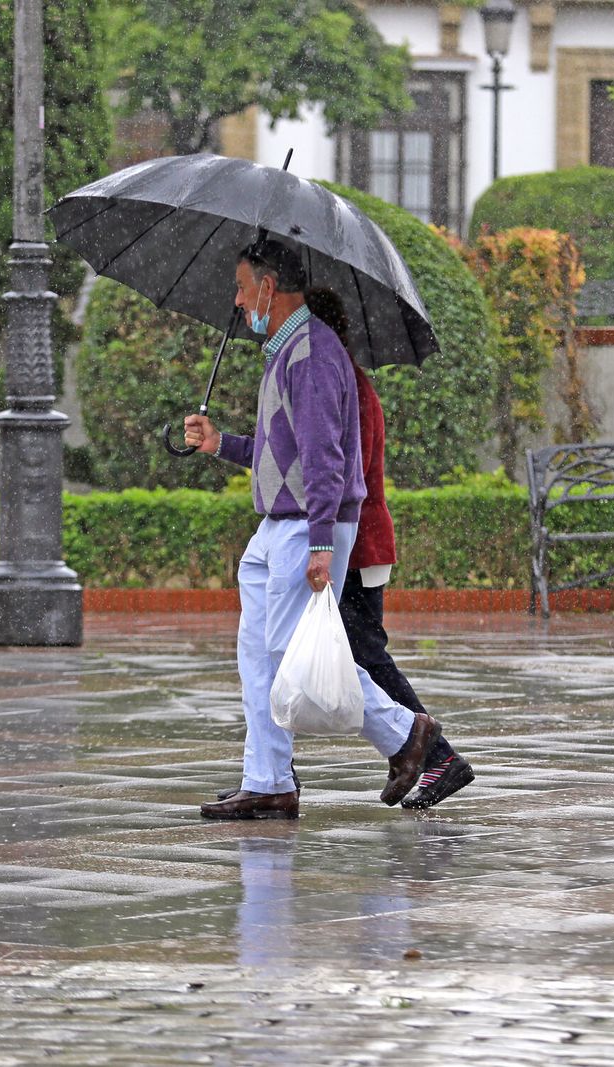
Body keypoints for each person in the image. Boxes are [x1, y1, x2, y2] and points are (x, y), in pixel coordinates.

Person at [184, 239, 438, 819]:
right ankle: (269, 781)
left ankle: (404, 734)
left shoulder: (314, 355)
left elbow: (325, 457)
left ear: (269, 289)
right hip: (278, 525)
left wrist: (322, 541)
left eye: (243, 286)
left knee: (287, 651)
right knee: (259, 655)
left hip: (305, 526)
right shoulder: (287, 351)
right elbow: (285, 453)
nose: (238, 298)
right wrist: (221, 443)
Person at [303, 289, 475, 810]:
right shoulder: (350, 383)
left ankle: (436, 754)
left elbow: (339, 471)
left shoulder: (347, 388)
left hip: (358, 544)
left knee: (365, 655)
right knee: (360, 654)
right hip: (359, 542)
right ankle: (431, 754)